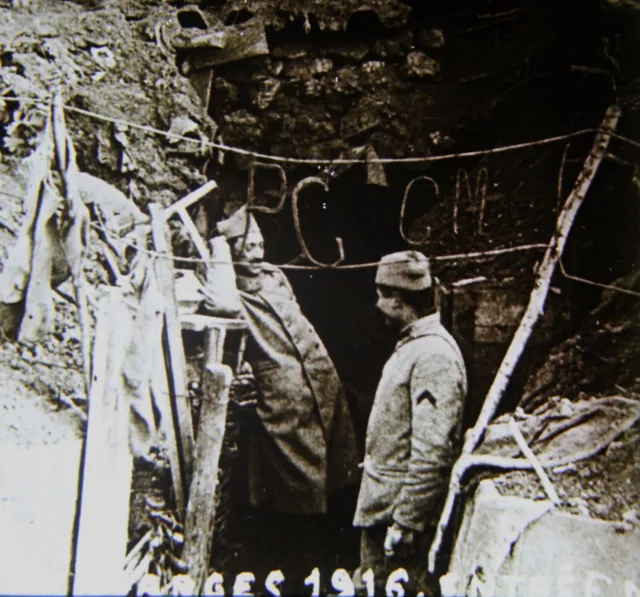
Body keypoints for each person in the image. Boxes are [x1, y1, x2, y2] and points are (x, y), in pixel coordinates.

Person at [204, 205, 360, 585]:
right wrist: (218, 249)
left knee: (335, 471)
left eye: (258, 238)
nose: (258, 246)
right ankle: (299, 568)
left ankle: (332, 560)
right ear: (234, 249)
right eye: (248, 241)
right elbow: (220, 301)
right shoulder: (233, 286)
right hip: (284, 394)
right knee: (298, 485)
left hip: (319, 378)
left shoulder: (273, 274)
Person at [352, 250, 467, 596]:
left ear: (400, 300)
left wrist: (408, 521)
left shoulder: (433, 356)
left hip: (396, 517)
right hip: (384, 508)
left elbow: (433, 450)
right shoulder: (415, 346)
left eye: (382, 296)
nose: (377, 304)